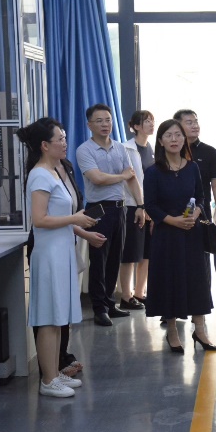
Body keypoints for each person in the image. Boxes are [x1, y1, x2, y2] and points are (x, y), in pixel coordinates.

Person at [18, 118, 101, 399]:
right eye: (60, 139)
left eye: (65, 138)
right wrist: (75, 219)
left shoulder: (55, 171)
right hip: (49, 255)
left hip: (62, 251)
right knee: (48, 318)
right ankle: (48, 380)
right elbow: (40, 219)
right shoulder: (40, 175)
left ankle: (54, 373)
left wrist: (80, 226)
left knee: (57, 318)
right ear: (44, 145)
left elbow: (61, 217)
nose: (65, 143)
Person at [142, 118, 216, 354]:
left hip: (191, 232)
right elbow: (150, 205)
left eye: (178, 135)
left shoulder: (192, 168)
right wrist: (173, 221)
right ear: (160, 141)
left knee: (197, 280)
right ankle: (172, 330)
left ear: (184, 139)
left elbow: (201, 197)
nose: (174, 139)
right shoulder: (153, 172)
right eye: (169, 135)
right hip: (166, 235)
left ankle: (200, 330)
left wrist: (195, 214)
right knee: (169, 280)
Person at [76, 103, 142, 327]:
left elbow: (132, 178)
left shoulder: (120, 148)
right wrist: (122, 176)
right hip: (98, 209)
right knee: (99, 260)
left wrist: (140, 206)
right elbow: (97, 178)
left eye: (108, 120)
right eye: (99, 121)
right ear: (89, 125)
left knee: (115, 258)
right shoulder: (84, 150)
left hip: (120, 208)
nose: (105, 124)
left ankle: (110, 303)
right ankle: (99, 309)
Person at [174, 109, 216, 282]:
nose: (195, 126)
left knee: (201, 258)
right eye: (189, 122)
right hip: (174, 213)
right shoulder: (172, 151)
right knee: (177, 256)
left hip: (201, 212)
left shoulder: (209, 152)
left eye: (196, 122)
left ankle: (203, 295)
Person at [117, 110, 152, 312]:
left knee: (146, 252)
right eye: (147, 121)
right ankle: (126, 296)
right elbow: (129, 180)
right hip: (132, 206)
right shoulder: (126, 148)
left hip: (150, 207)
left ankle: (140, 292)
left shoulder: (152, 149)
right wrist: (140, 205)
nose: (151, 124)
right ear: (136, 126)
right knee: (130, 253)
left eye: (152, 121)